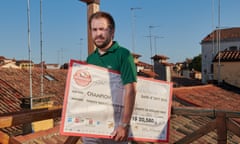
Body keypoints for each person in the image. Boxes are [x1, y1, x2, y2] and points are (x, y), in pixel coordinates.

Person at [82, 11, 137, 144]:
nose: (98, 33)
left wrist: (124, 125)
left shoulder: (123, 55)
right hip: (92, 129)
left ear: (112, 32)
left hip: (116, 129)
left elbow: (131, 90)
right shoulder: (90, 58)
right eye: (94, 29)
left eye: (102, 29)